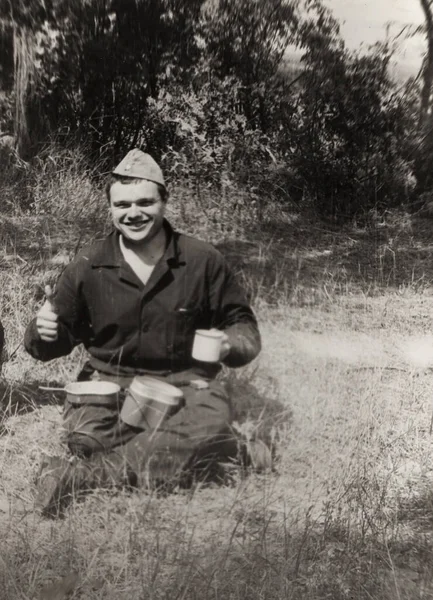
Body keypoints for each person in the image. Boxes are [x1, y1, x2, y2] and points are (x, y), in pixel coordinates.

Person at [24, 149, 265, 517]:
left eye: (144, 202)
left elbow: (245, 327)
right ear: (110, 208)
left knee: (204, 419)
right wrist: (43, 330)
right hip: (110, 384)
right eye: (122, 204)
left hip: (185, 386)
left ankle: (81, 479)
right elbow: (45, 347)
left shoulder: (202, 260)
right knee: (86, 437)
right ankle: (220, 449)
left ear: (164, 202)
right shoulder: (89, 264)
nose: (132, 213)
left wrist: (229, 342)